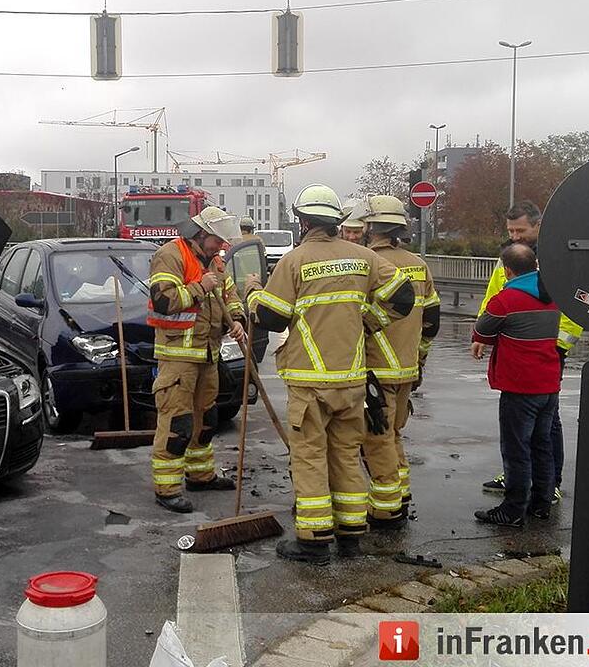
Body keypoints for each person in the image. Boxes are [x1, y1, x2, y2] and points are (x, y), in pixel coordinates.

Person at [245, 184, 415, 564]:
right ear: (337, 220)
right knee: (346, 455)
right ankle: (351, 535)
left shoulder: (295, 260)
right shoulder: (364, 257)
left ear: (302, 220)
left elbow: (272, 317)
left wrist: (253, 294)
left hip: (310, 380)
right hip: (352, 379)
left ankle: (315, 538)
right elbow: (403, 297)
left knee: (309, 456)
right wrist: (369, 322)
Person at [479, 201, 582, 504]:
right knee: (518, 423)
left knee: (547, 422)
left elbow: (572, 302)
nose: (515, 236)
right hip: (515, 343)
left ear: (537, 226)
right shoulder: (510, 254)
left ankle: (550, 483)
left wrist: (559, 342)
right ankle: (516, 477)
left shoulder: (554, 254)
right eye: (510, 230)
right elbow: (494, 294)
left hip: (547, 346)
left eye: (520, 230)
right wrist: (482, 332)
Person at [147, 206, 248, 513]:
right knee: (177, 423)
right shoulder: (170, 255)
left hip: (208, 353)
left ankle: (200, 475)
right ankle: (167, 488)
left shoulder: (215, 262)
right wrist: (199, 287)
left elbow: (229, 295)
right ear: (201, 234)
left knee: (206, 421)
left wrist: (237, 318)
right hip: (178, 357)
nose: (222, 247)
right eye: (217, 241)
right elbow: (163, 300)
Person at [359, 195, 441, 528]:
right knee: (393, 435)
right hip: (407, 367)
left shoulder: (367, 264)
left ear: (370, 226)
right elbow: (432, 320)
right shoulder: (418, 265)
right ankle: (401, 493)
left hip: (375, 369)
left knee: (376, 440)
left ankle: (386, 508)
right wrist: (419, 358)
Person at [471, 243, 561, 526]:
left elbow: (482, 329)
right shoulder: (553, 293)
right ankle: (541, 504)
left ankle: (511, 511)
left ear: (507, 270)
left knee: (516, 450)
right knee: (542, 445)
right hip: (549, 384)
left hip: (520, 386)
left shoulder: (506, 299)